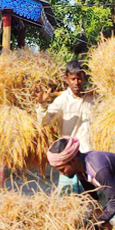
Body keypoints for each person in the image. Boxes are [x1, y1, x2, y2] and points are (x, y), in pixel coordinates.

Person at [36, 60, 96, 193]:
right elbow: (45, 122)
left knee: (94, 199)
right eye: (73, 79)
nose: (76, 82)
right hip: (69, 158)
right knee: (67, 201)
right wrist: (42, 105)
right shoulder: (62, 100)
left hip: (90, 156)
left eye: (79, 78)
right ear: (66, 80)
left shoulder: (94, 98)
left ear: (84, 78)